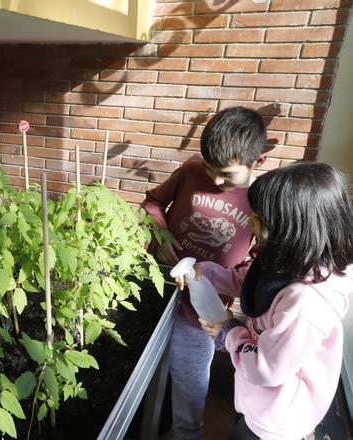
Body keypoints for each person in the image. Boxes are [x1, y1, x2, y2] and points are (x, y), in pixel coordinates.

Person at [177, 162, 353, 440]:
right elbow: (246, 281)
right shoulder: (288, 257)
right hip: (257, 397)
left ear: (293, 226)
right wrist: (204, 271)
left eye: (259, 217)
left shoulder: (306, 302)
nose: (250, 222)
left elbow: (268, 369)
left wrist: (228, 332)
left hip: (277, 419)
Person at [142, 106, 268, 439]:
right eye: (210, 169)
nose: (215, 180)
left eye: (227, 174)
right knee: (141, 369)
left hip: (202, 312)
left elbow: (258, 260)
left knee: (190, 384)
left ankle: (185, 433)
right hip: (156, 289)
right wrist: (161, 232)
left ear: (259, 161)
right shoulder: (190, 172)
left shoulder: (261, 202)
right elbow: (152, 203)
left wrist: (231, 283)